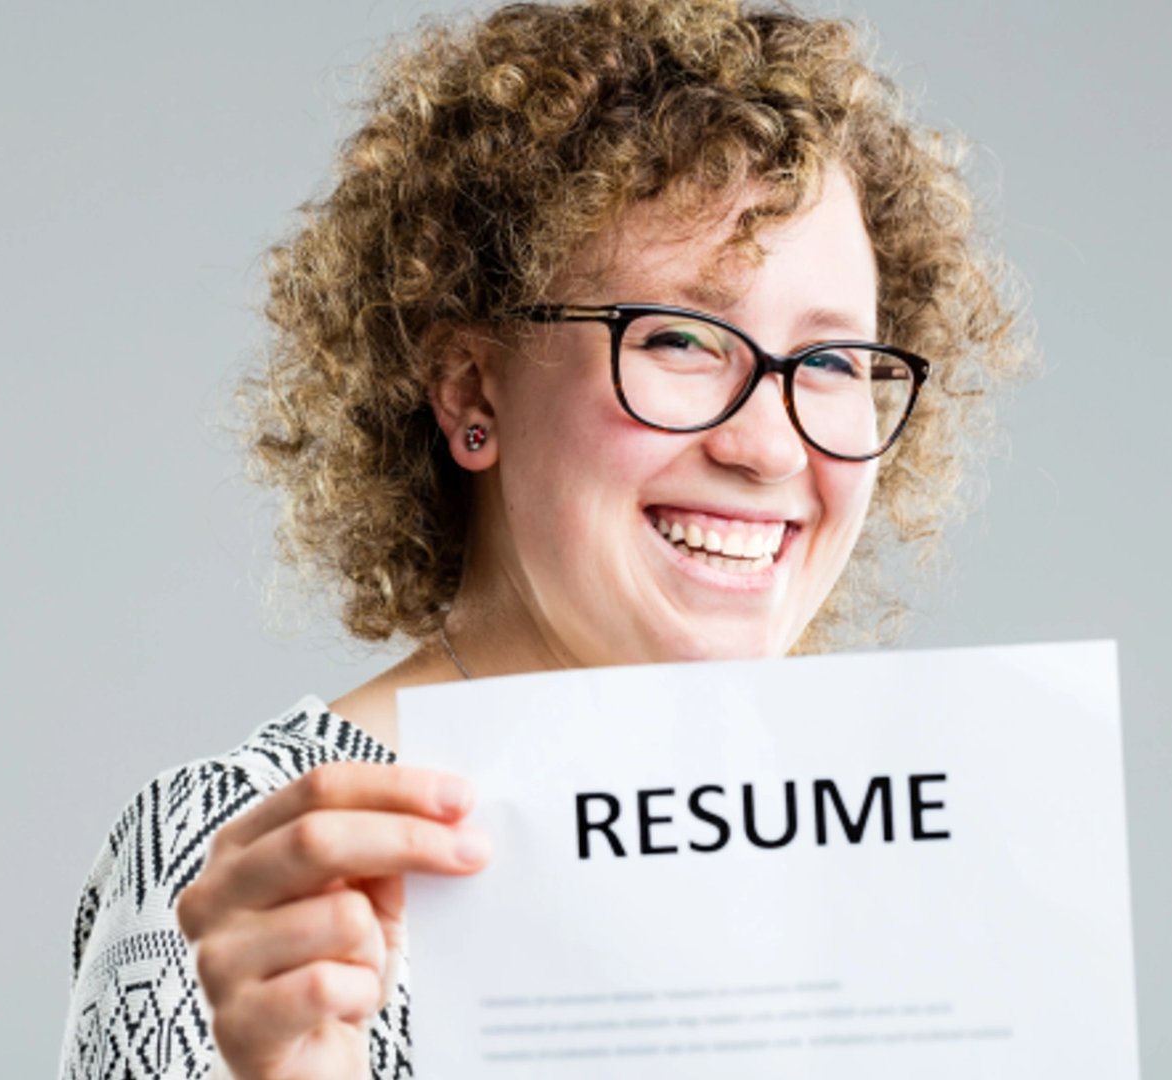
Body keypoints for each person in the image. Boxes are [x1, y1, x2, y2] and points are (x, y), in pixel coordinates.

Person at [56, 0, 1029, 1077]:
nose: (769, 445)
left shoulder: (905, 867)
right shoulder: (254, 873)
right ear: (471, 387)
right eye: (679, 339)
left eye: (836, 360)